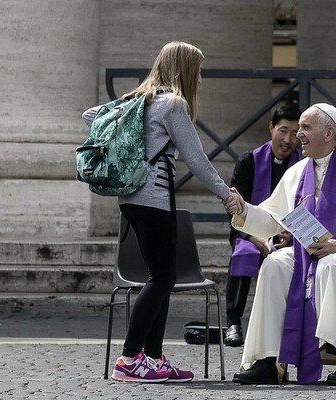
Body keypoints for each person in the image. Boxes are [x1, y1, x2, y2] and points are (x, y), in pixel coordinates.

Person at [82, 41, 243, 383]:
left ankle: (152, 359)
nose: (200, 78)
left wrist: (128, 143)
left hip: (130, 200)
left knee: (161, 277)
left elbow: (91, 116)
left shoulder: (135, 101)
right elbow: (196, 159)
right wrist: (225, 194)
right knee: (162, 278)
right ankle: (129, 359)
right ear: (184, 69)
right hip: (153, 198)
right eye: (197, 70)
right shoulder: (173, 104)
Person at [229, 103, 336, 386]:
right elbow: (275, 218)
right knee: (275, 264)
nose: (297, 134)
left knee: (331, 265)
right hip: (309, 254)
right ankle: (268, 360)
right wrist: (244, 210)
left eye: (304, 127)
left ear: (328, 133)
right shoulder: (297, 171)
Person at [224, 105, 302, 347]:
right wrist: (255, 237)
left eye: (294, 133)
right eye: (282, 131)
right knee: (244, 252)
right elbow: (238, 208)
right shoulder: (249, 161)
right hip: (251, 233)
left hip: (290, 235)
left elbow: (306, 206)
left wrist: (290, 234)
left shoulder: (304, 165)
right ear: (271, 127)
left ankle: (290, 324)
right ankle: (234, 321)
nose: (288, 140)